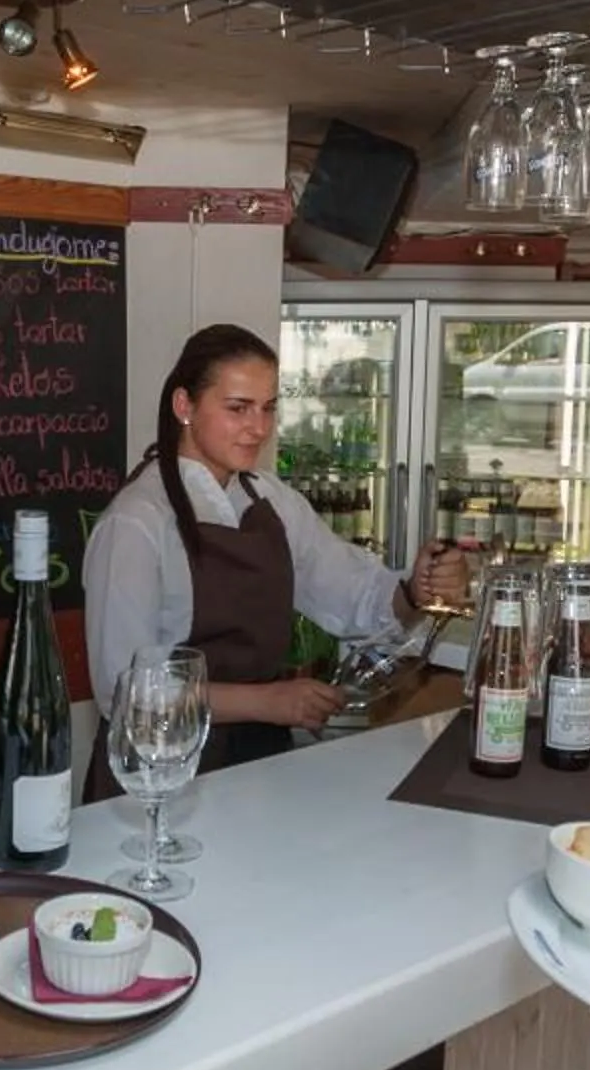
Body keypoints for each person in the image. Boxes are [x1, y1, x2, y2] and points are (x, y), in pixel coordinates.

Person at [83, 323, 466, 797]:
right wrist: (265, 701)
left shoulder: (272, 502)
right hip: (157, 775)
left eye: (268, 408)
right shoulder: (136, 523)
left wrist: (418, 587)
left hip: (256, 769)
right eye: (238, 408)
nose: (259, 428)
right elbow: (124, 692)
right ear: (184, 406)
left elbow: (355, 597)